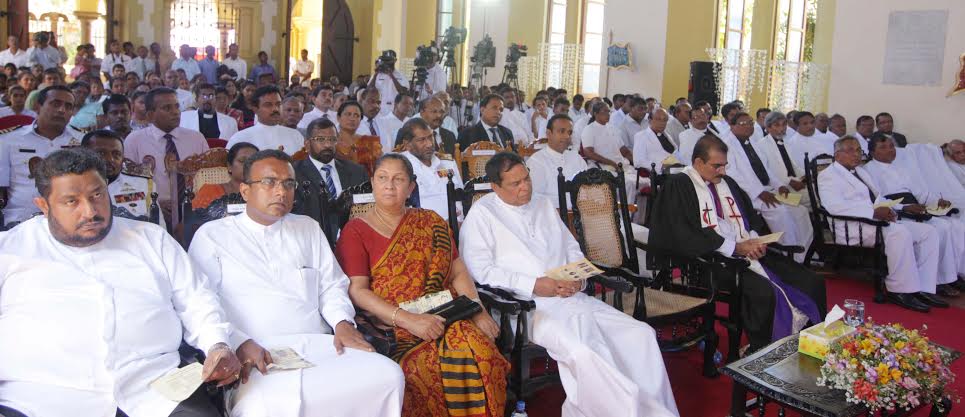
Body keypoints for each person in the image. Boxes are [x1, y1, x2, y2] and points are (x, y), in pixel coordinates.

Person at [0, 148, 241, 417]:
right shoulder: (9, 251)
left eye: (97, 195)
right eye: (72, 201)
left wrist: (217, 344)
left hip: (151, 390)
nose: (90, 211)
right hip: (41, 398)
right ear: (43, 206)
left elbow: (197, 299)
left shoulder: (151, 239)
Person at [186, 149, 405, 416]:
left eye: (288, 184)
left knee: (387, 376)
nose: (281, 192)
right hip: (257, 353)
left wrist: (342, 324)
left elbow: (331, 285)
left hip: (320, 346)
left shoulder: (307, 227)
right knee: (264, 406)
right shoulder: (213, 236)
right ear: (245, 191)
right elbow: (202, 304)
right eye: (269, 182)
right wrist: (238, 342)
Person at [461, 152, 679, 417]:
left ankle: (654, 408)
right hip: (526, 308)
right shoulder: (482, 214)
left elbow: (572, 249)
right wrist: (533, 285)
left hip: (572, 298)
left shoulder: (542, 204)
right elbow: (479, 272)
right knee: (584, 352)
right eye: (515, 183)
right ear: (495, 187)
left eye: (526, 179)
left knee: (640, 334)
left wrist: (579, 276)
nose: (525, 187)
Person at [334, 154, 509, 417]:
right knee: (429, 368)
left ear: (411, 188)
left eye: (398, 179)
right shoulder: (355, 231)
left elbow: (457, 271)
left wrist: (478, 309)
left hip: (446, 314)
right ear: (372, 183)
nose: (389, 186)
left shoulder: (430, 221)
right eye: (382, 178)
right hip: (395, 325)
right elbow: (358, 291)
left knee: (481, 352)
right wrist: (409, 321)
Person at [650, 134, 827, 351]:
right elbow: (682, 232)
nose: (723, 171)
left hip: (745, 252)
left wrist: (754, 240)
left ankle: (807, 345)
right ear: (698, 162)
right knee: (764, 292)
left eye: (725, 165)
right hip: (708, 261)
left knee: (811, 281)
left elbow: (749, 217)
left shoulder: (727, 183)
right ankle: (761, 351)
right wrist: (735, 248)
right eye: (717, 166)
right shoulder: (679, 185)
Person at [819, 136, 946, 312]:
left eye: (858, 150)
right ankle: (899, 290)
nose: (856, 155)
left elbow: (880, 199)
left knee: (928, 232)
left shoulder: (861, 172)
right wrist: (872, 212)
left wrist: (903, 207)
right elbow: (834, 207)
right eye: (851, 150)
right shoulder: (828, 175)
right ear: (837, 154)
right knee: (898, 233)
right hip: (854, 226)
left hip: (877, 221)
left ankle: (923, 287)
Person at [862, 135, 963, 297]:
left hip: (914, 207)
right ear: (872, 152)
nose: (890, 150)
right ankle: (930, 282)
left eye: (891, 146)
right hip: (896, 211)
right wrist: (904, 207)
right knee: (937, 229)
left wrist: (936, 200)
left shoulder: (900, 168)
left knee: (946, 226)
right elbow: (878, 198)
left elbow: (920, 192)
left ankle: (946, 278)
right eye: (883, 147)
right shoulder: (867, 170)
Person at [721, 112, 813, 257]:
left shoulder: (752, 142)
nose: (749, 127)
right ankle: (788, 254)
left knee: (800, 211)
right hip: (747, 193)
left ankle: (806, 253)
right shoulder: (726, 145)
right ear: (732, 126)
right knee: (780, 212)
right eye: (743, 124)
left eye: (751, 123)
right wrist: (759, 192)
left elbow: (766, 170)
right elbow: (733, 176)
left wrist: (779, 185)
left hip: (766, 189)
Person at [124, 87, 210, 226]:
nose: (175, 112)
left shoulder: (196, 139)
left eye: (177, 106)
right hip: (152, 217)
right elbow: (128, 184)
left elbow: (208, 178)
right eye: (167, 108)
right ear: (151, 115)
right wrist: (153, 205)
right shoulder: (135, 141)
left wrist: (196, 205)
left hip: (194, 213)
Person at [0, 85, 77, 226]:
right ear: (38, 106)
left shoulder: (82, 140)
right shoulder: (9, 140)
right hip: (21, 220)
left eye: (68, 106)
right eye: (55, 104)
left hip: (70, 220)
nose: (62, 110)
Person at [292, 117, 368, 233]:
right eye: (321, 139)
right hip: (314, 237)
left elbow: (368, 208)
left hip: (354, 236)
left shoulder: (357, 171)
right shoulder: (295, 173)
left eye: (332, 139)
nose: (327, 145)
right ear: (307, 144)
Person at [80, 129, 159, 226]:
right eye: (100, 153)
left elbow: (158, 228)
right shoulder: (72, 188)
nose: (110, 159)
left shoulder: (143, 185)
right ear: (83, 155)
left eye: (116, 154)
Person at [398, 118, 462, 219]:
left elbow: (460, 197)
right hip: (422, 228)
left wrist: (459, 221)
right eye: (421, 140)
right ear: (407, 144)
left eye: (430, 137)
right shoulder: (400, 166)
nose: (429, 144)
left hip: (456, 226)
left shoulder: (447, 162)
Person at [526, 114, 588, 208]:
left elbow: (589, 189)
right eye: (561, 131)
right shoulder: (536, 161)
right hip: (553, 217)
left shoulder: (576, 157)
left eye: (569, 132)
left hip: (585, 213)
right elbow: (535, 199)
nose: (567, 136)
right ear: (549, 133)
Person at [226, 86, 304, 155]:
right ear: (255, 109)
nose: (275, 109)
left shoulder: (295, 135)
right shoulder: (241, 138)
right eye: (268, 105)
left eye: (278, 104)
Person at [756, 112, 808, 206]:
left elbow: (793, 166)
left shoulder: (786, 142)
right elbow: (767, 172)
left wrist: (805, 175)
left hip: (795, 181)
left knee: (820, 192)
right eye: (777, 125)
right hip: (779, 188)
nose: (782, 128)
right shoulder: (761, 145)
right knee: (811, 198)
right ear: (768, 128)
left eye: (784, 124)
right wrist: (790, 182)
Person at [190, 141, 258, 209]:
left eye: (254, 161)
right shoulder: (209, 192)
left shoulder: (265, 192)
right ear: (229, 166)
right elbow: (195, 218)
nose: (249, 165)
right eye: (242, 161)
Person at [334, 100, 383, 175]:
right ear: (338, 117)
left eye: (356, 115)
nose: (352, 118)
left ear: (360, 120)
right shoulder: (331, 142)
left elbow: (380, 167)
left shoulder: (370, 142)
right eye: (348, 114)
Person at [633, 107, 679, 172]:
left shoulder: (667, 135)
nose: (662, 123)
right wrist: (661, 166)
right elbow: (639, 162)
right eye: (658, 119)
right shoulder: (641, 136)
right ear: (650, 120)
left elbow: (676, 153)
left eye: (665, 120)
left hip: (674, 170)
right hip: (656, 174)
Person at [367, 51, 409, 117]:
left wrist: (391, 75)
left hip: (395, 109)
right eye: (385, 61)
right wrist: (375, 74)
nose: (386, 63)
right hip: (380, 108)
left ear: (394, 61)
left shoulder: (401, 75)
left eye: (388, 61)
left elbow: (403, 92)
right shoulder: (377, 75)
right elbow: (369, 90)